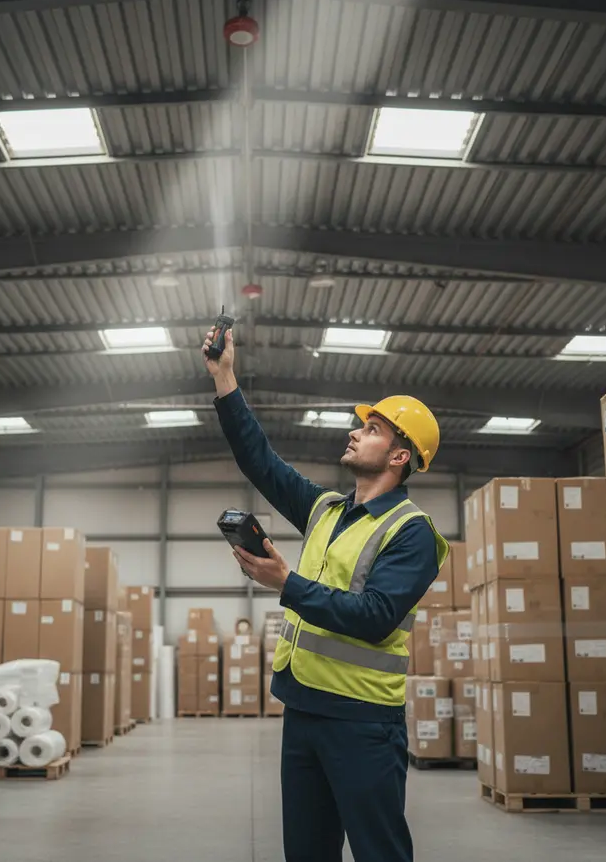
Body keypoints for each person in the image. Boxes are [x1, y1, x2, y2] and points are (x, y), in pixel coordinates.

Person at [202, 326, 448, 862]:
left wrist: (285, 583)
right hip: (303, 710)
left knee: (379, 852)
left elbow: (376, 616)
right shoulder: (326, 510)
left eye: (375, 428)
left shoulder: (412, 532)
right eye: (361, 424)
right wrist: (225, 379)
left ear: (400, 456)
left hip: (363, 723)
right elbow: (260, 462)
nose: (357, 432)